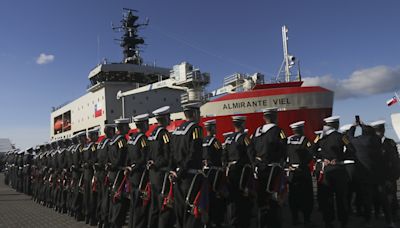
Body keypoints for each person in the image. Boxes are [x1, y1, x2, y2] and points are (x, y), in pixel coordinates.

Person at [252, 107, 287, 228]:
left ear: (264, 118)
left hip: (259, 170)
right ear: (276, 117)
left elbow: (251, 150)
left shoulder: (256, 131)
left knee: (261, 200)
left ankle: (261, 223)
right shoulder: (278, 131)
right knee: (274, 200)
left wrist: (255, 163)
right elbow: (284, 149)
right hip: (273, 169)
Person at [171, 104, 204, 228]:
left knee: (180, 211)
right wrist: (181, 172)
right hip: (190, 176)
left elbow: (172, 153)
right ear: (195, 114)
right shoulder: (196, 129)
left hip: (178, 176)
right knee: (192, 212)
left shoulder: (176, 130)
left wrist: (174, 171)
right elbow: (193, 153)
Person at [315, 116, 350, 228]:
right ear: (337, 124)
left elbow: (312, 151)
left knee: (327, 198)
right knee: (341, 197)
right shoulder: (342, 136)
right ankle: (343, 221)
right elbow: (352, 149)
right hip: (338, 169)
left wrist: (321, 159)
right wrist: (340, 158)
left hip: (326, 171)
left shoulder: (320, 137)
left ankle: (328, 221)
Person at [223, 116, 256, 228]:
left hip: (230, 171)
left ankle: (232, 221)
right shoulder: (244, 138)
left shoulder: (228, 139)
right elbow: (250, 154)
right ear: (242, 125)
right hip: (242, 171)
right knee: (243, 198)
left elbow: (224, 157)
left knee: (232, 198)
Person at [147, 106, 174, 228]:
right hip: (161, 175)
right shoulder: (164, 134)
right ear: (165, 118)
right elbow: (168, 154)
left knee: (154, 208)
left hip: (153, 176)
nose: (170, 119)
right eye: (169, 117)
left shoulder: (152, 134)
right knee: (164, 208)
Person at [370, 120, 400, 228]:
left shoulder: (390, 142)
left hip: (390, 176)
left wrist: (395, 175)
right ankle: (381, 215)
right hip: (378, 177)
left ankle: (393, 216)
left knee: (392, 197)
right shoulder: (372, 144)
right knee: (379, 197)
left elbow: (396, 160)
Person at [286, 121, 314, 226]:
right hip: (303, 172)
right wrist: (302, 164)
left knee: (293, 196)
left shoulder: (287, 141)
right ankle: (307, 219)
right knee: (306, 196)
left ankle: (294, 218)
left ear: (293, 130)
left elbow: (282, 154)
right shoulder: (305, 140)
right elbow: (311, 153)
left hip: (291, 172)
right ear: (302, 130)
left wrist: (288, 165)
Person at [126, 113, 150, 228]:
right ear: (144, 124)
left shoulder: (131, 138)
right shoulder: (142, 139)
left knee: (133, 205)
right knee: (140, 206)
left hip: (132, 175)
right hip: (140, 175)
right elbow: (144, 157)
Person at [202, 119, 225, 228]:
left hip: (204, 172)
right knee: (215, 198)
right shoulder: (214, 142)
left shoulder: (202, 141)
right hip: (214, 173)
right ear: (211, 129)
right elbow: (220, 155)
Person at [109, 118, 130, 228]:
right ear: (122, 128)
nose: (129, 128)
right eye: (127, 126)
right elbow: (121, 157)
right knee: (119, 203)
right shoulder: (121, 140)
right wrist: (124, 166)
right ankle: (116, 224)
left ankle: (113, 222)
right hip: (119, 174)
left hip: (113, 174)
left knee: (114, 201)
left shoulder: (113, 139)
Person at [97, 123, 116, 228]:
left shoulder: (101, 142)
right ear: (111, 132)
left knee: (100, 197)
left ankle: (100, 219)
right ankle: (105, 220)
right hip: (106, 173)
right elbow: (110, 157)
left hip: (99, 173)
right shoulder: (109, 142)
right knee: (106, 198)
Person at [82, 128, 100, 225]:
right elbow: (94, 160)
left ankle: (87, 216)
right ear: (92, 136)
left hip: (86, 174)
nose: (97, 137)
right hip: (92, 173)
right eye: (96, 135)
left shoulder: (85, 146)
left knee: (87, 196)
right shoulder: (93, 146)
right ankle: (93, 218)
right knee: (93, 197)